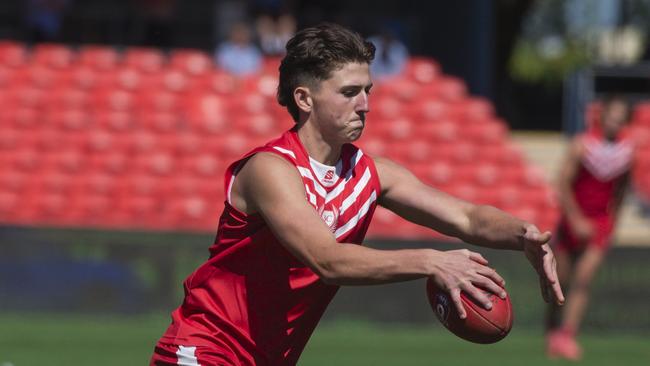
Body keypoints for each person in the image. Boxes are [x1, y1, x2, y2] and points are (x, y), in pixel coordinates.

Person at [151, 23, 564, 366]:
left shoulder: (371, 173)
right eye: (349, 92)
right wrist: (432, 261)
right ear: (304, 99)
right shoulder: (270, 170)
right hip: (203, 351)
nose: (365, 104)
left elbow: (468, 218)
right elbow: (328, 260)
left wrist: (522, 234)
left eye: (368, 90)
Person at [545, 95, 634, 361]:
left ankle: (567, 335)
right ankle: (552, 328)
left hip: (599, 224)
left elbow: (621, 191)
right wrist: (575, 220)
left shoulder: (627, 152)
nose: (615, 122)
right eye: (612, 115)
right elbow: (562, 184)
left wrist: (611, 223)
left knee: (583, 280)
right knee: (561, 281)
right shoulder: (582, 146)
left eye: (620, 117)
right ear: (602, 115)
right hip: (573, 220)